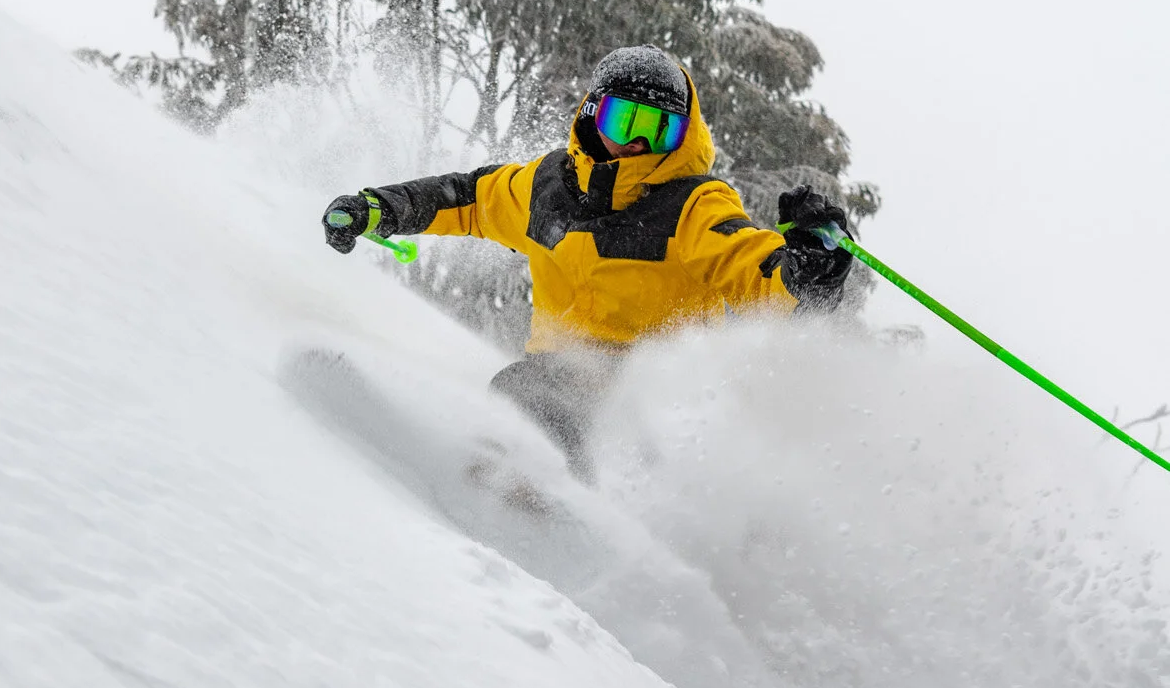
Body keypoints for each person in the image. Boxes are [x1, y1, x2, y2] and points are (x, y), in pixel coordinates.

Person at [321, 45, 851, 468]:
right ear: (594, 113)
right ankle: (504, 500)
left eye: (659, 129)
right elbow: (466, 198)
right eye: (626, 121)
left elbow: (755, 268)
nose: (638, 142)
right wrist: (377, 208)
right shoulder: (546, 188)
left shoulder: (692, 204)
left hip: (655, 399)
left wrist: (813, 264)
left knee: (533, 399)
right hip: (557, 375)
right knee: (524, 395)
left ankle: (561, 515)